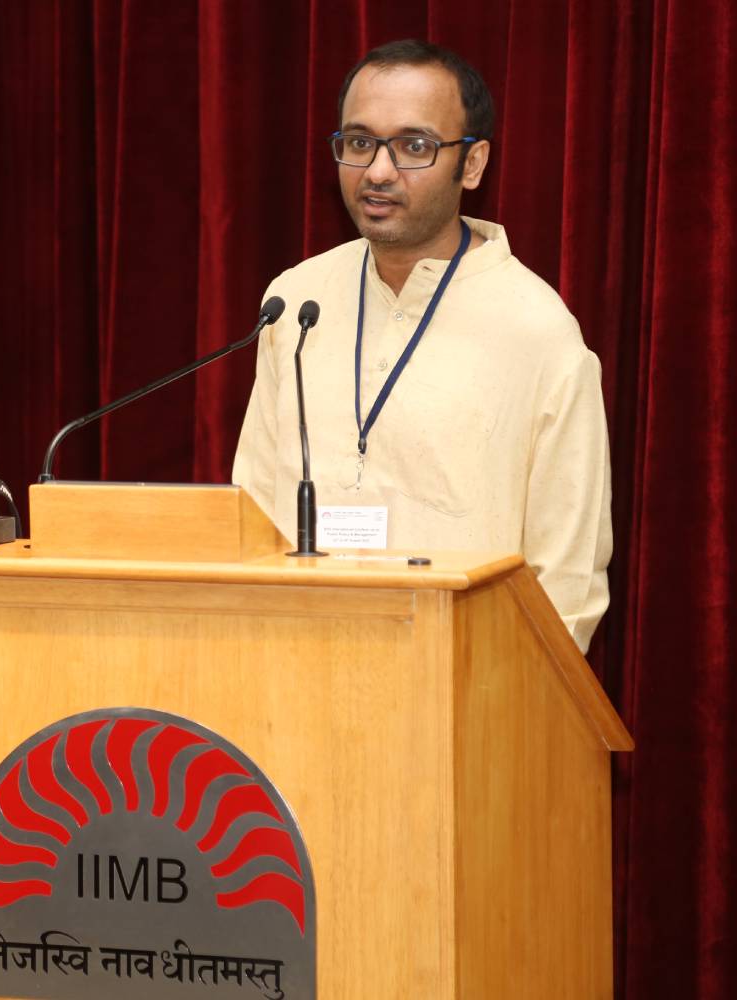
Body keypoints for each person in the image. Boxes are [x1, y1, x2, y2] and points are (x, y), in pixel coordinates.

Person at [231, 39, 612, 651]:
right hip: (295, 674)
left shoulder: (536, 329)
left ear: (473, 163)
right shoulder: (297, 298)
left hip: (461, 693)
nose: (378, 171)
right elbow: (252, 507)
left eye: (414, 146)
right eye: (359, 143)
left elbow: (565, 578)